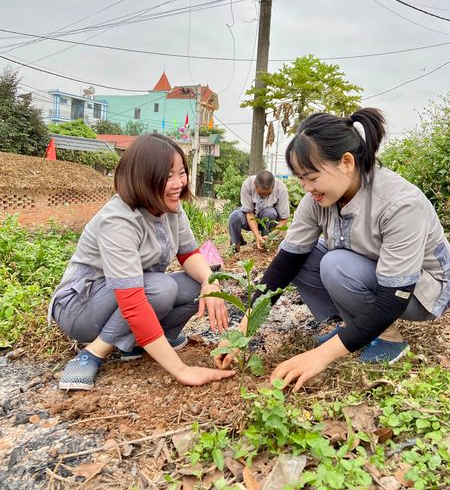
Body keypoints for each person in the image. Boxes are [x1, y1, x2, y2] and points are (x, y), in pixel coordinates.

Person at [216, 108, 450, 390]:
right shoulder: (317, 200)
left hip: (422, 290)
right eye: (300, 178)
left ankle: (388, 340)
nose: (306, 188)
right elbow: (285, 264)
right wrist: (243, 329)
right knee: (306, 255)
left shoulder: (399, 203)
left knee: (335, 264)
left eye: (312, 178)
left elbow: (394, 297)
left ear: (347, 162)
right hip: (370, 272)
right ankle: (352, 328)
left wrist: (319, 357)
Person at [50, 134, 234, 391]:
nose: (179, 183)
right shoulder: (119, 220)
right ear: (143, 177)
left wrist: (210, 282)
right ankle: (93, 352)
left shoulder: (170, 208)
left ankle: (139, 345)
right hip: (81, 307)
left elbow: (188, 254)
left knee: (195, 286)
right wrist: (181, 370)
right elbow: (133, 302)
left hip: (130, 293)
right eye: (168, 175)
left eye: (181, 173)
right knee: (161, 288)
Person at [228, 170, 289, 251]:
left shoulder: (281, 189)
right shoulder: (248, 184)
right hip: (250, 219)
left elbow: (284, 219)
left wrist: (271, 236)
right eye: (260, 194)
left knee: (270, 212)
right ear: (255, 186)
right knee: (235, 216)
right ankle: (235, 247)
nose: (263, 196)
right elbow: (249, 213)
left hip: (269, 222)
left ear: (273, 187)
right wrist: (257, 235)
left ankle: (265, 244)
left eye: (267, 194)